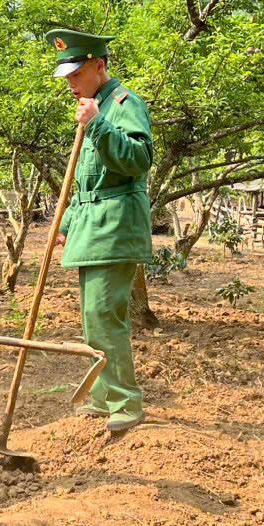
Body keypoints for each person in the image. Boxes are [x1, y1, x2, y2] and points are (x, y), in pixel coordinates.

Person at [47, 28, 152, 433]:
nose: (70, 84)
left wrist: (98, 126)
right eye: (67, 76)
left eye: (76, 74)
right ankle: (105, 396)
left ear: (99, 66)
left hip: (116, 226)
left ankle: (126, 401)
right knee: (93, 317)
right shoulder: (94, 108)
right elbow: (87, 182)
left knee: (105, 313)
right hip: (93, 226)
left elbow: (139, 159)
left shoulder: (123, 104)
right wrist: (67, 223)